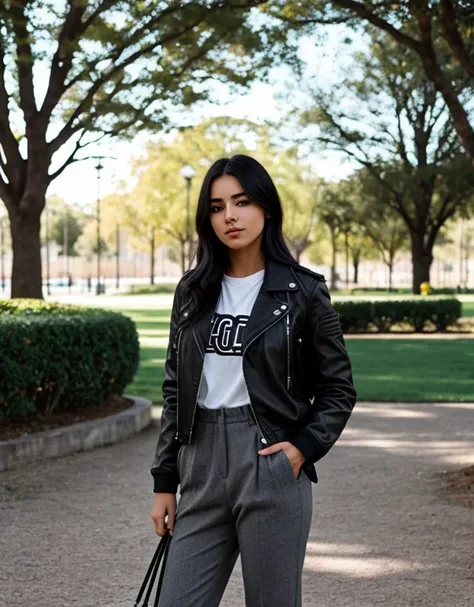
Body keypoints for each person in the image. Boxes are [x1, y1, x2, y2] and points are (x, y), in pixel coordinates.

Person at [150, 154, 357, 606]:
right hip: (200, 463)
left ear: (265, 207)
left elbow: (338, 386)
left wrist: (302, 449)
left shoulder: (303, 290)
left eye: (241, 202)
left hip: (268, 461)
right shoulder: (192, 291)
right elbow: (175, 390)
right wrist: (165, 481)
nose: (230, 216)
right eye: (217, 206)